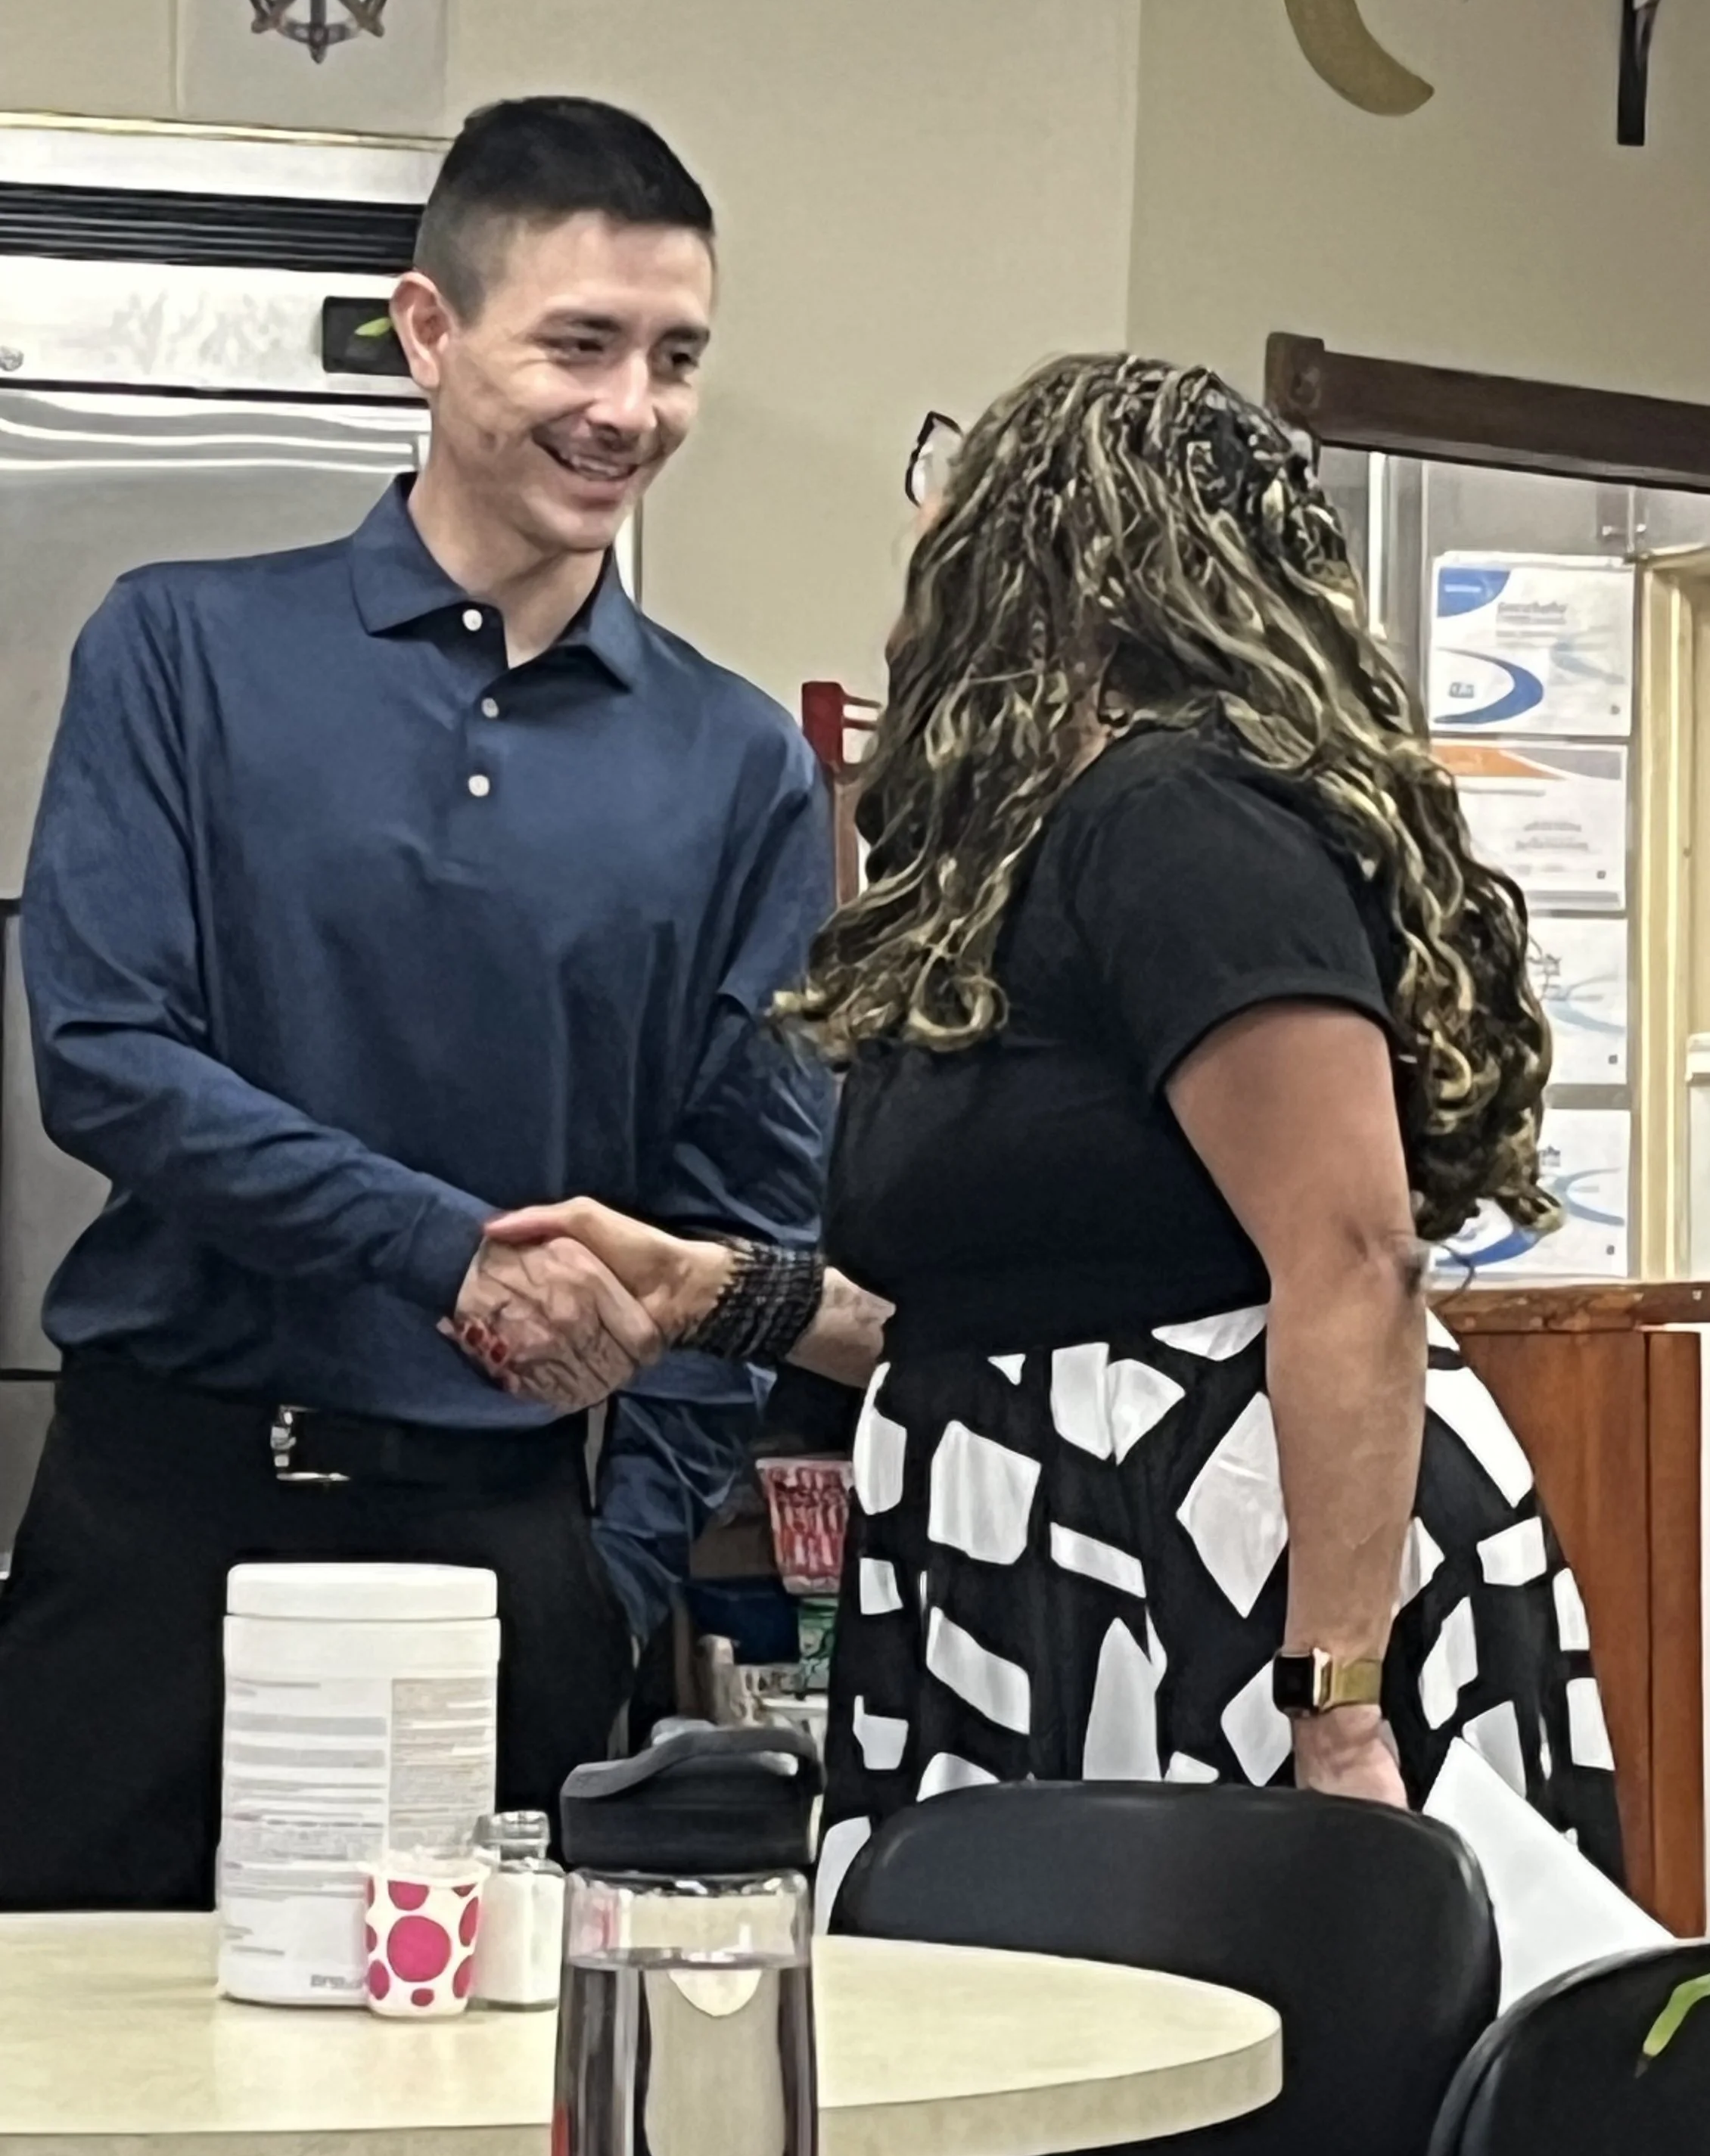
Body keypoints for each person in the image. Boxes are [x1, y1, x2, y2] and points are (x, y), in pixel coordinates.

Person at [477, 353, 1624, 1918]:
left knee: (1241, 2038)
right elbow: (1002, 1340)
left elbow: (1354, 1260)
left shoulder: (1180, 817)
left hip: (1225, 1581)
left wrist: (1337, 1706)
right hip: (1050, 1566)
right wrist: (702, 1291)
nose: (924, 524)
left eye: (960, 478)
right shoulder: (1037, 860)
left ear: (1064, 545)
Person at [0, 95, 833, 1916]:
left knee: (446, 2086)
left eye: (675, 356)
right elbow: (105, 1058)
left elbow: (748, 1221)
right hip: (161, 1524)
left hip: (497, 1550)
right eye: (579, 344)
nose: (629, 408)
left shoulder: (740, 764)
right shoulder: (179, 648)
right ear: (429, 331)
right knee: (63, 2064)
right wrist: (446, 1252)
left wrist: (616, 1565)